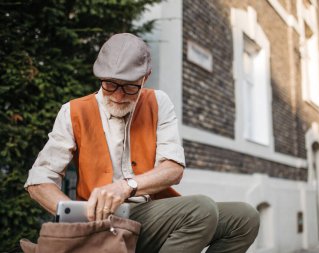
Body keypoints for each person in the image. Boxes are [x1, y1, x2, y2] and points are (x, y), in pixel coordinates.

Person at [25, 33, 260, 253]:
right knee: (202, 209)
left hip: (150, 211)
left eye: (129, 87)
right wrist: (79, 215)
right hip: (104, 221)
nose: (118, 95)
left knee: (245, 217)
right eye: (110, 84)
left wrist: (126, 186)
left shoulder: (159, 102)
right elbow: (38, 181)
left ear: (145, 77)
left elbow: (173, 169)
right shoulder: (73, 111)